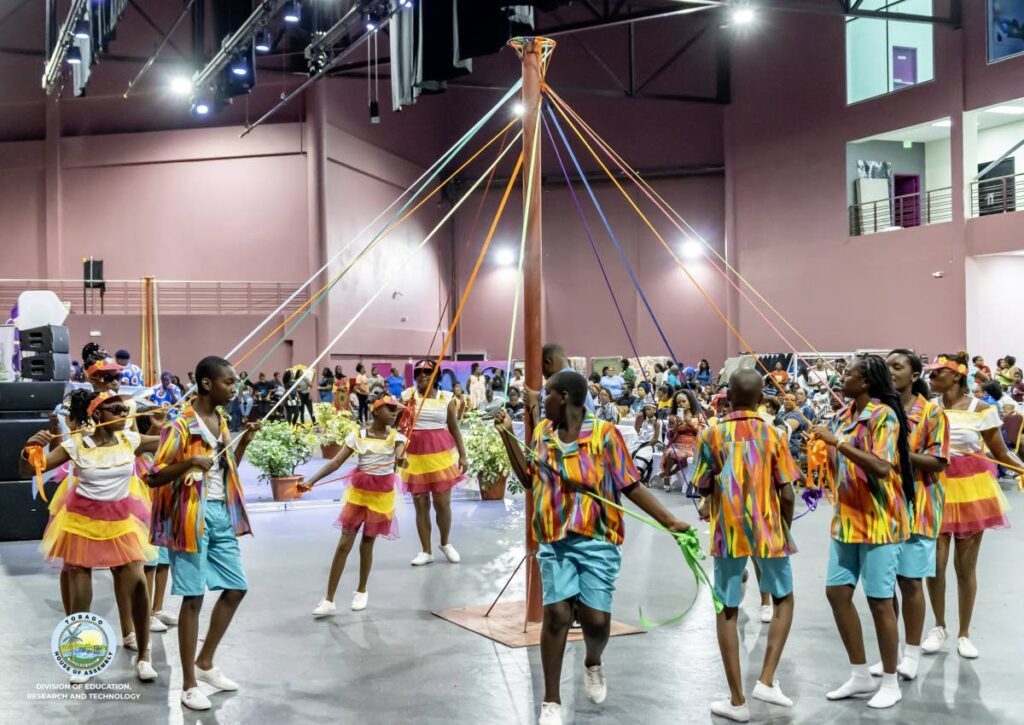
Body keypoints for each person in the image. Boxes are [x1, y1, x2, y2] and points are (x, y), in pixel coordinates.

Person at [494, 371, 689, 725]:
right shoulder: (542, 433)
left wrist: (670, 521)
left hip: (597, 539)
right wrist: (507, 434)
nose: (543, 400)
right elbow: (528, 479)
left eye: (548, 394)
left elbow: (630, 486)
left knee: (597, 623)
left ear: (565, 397)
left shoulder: (605, 435)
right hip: (554, 540)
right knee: (556, 617)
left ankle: (592, 661)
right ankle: (551, 700)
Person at [146, 356, 261, 711]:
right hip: (189, 517)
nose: (234, 388)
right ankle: (188, 685)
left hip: (219, 513)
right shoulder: (180, 426)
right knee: (192, 598)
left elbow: (227, 469)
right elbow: (155, 476)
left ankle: (206, 661)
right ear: (207, 383)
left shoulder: (221, 420)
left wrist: (243, 442)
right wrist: (190, 463)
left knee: (236, 587)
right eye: (228, 382)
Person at [23, 389, 161, 683]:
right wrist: (30, 450)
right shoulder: (77, 445)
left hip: (122, 523)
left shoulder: (130, 440)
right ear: (97, 414)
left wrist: (168, 425)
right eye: (116, 411)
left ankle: (144, 655)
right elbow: (32, 469)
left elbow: (168, 444)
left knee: (137, 585)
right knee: (82, 593)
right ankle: (81, 659)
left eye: (125, 410)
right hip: (82, 524)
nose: (124, 416)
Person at [694, 369, 799, 721]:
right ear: (760, 397)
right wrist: (784, 524)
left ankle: (737, 700)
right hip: (770, 527)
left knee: (727, 606)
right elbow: (787, 490)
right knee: (783, 597)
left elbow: (703, 485)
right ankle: (766, 679)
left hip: (728, 530)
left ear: (727, 395)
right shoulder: (774, 434)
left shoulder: (711, 434)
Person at [810, 354, 914, 710]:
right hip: (847, 519)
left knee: (879, 600)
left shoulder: (883, 416)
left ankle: (889, 679)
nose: (842, 377)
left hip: (880, 519)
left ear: (866, 382)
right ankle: (859, 674)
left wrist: (837, 444)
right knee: (837, 593)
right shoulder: (843, 416)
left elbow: (883, 467)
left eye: (848, 373)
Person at [920, 353, 1022, 660]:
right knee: (935, 566)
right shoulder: (929, 409)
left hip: (972, 490)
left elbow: (1001, 452)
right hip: (936, 486)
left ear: (955, 376)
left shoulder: (982, 409)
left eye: (937, 373)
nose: (931, 378)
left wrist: (1021, 468)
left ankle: (964, 633)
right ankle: (938, 627)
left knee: (965, 568)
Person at [857, 350, 950, 682]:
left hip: (920, 507)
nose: (891, 371)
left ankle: (911, 652)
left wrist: (899, 455)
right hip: (884, 509)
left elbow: (939, 462)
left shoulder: (932, 414)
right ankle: (890, 655)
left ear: (914, 376)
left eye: (898, 366)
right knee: (884, 586)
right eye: (887, 366)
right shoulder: (878, 411)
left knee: (910, 581)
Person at [299, 397, 408, 615]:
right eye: (389, 409)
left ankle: (361, 590)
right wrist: (311, 480)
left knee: (367, 544)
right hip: (359, 493)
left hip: (382, 495)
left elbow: (399, 456)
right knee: (343, 545)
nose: (394, 413)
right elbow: (335, 462)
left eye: (396, 410)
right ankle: (329, 599)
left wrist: (402, 459)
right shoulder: (358, 435)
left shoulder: (397, 438)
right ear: (375, 411)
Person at [400, 360, 467, 567]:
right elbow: (400, 426)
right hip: (414, 455)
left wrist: (463, 455)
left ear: (435, 375)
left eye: (427, 372)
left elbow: (454, 428)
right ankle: (426, 551)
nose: (422, 376)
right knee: (421, 504)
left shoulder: (446, 397)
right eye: (418, 372)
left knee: (442, 504)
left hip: (440, 454)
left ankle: (445, 543)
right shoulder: (407, 396)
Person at [521, 343, 595, 423]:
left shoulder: (553, 385)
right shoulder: (577, 381)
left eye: (540, 367)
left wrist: (534, 403)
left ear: (547, 363)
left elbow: (543, 432)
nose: (541, 372)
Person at [658, 390, 700, 492]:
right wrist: (677, 425)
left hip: (693, 444)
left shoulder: (697, 416)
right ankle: (667, 477)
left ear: (690, 401)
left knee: (690, 455)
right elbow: (669, 436)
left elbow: (702, 431)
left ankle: (668, 474)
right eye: (678, 403)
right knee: (673, 452)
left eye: (683, 401)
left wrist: (690, 423)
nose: (681, 404)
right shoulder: (673, 417)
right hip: (677, 443)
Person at [631, 401, 662, 486]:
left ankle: (639, 472)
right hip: (642, 442)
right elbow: (641, 435)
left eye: (649, 409)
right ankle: (631, 472)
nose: (647, 411)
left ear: (655, 410)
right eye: (645, 410)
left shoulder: (657, 422)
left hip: (653, 444)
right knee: (631, 451)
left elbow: (655, 438)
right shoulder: (644, 422)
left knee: (643, 453)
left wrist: (644, 445)